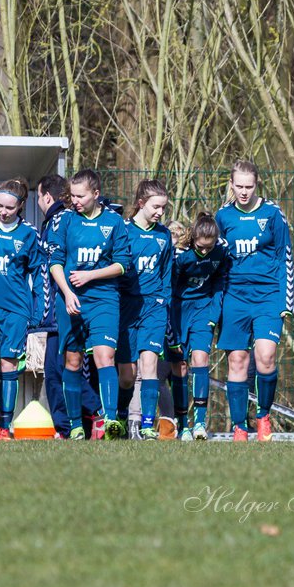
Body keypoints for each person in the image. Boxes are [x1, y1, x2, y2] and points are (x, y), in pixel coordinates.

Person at [46, 168, 132, 439]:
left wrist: (91, 275)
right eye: (72, 196)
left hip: (104, 298)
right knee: (72, 361)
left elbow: (123, 264)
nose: (76, 201)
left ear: (96, 194)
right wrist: (68, 293)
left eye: (81, 196)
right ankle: (74, 426)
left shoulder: (114, 222)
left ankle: (110, 422)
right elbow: (55, 262)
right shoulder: (64, 221)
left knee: (104, 356)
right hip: (71, 299)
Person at [215, 159, 293, 441]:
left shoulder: (273, 214)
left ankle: (263, 415)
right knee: (237, 360)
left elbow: (286, 256)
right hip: (234, 297)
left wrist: (286, 301)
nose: (244, 192)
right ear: (231, 184)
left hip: (268, 296)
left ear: (257, 184)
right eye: (239, 186)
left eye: (249, 186)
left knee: (266, 357)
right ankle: (239, 426)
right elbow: (216, 260)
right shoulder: (223, 217)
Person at [0, 178, 44, 440]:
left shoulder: (28, 234)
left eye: (9, 208)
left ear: (21, 206)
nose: (3, 211)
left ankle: (4, 427)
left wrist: (37, 313)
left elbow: (39, 274)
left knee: (10, 365)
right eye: (0, 205)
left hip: (15, 310)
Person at [34, 175, 101, 438]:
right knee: (61, 367)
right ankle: (79, 422)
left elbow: (54, 265)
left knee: (58, 369)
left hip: (62, 306)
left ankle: (88, 417)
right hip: (63, 306)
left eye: (39, 197)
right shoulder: (65, 219)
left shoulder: (59, 221)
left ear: (46, 197)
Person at [115, 180, 175, 440]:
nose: (160, 212)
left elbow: (166, 273)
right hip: (127, 307)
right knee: (128, 376)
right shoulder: (123, 232)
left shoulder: (164, 235)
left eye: (163, 207)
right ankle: (119, 415)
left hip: (154, 308)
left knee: (150, 364)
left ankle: (148, 424)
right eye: (156, 207)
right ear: (141, 203)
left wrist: (163, 300)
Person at [170, 213, 230, 441]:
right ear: (193, 238)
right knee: (180, 368)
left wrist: (213, 315)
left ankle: (199, 424)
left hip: (203, 310)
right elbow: (170, 286)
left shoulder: (222, 251)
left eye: (209, 247)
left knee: (201, 359)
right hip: (178, 311)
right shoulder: (180, 255)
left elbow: (220, 282)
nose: (205, 252)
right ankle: (182, 424)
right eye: (200, 247)